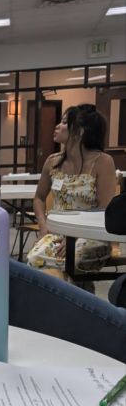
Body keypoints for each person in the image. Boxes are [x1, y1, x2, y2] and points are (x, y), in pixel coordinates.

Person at [27, 104, 117, 283]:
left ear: (80, 131)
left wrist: (75, 237)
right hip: (57, 232)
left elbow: (104, 211)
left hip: (90, 235)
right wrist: (43, 226)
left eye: (64, 122)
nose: (57, 126)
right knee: (34, 259)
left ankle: (70, 297)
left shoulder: (103, 162)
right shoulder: (52, 161)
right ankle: (75, 295)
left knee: (71, 259)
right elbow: (39, 198)